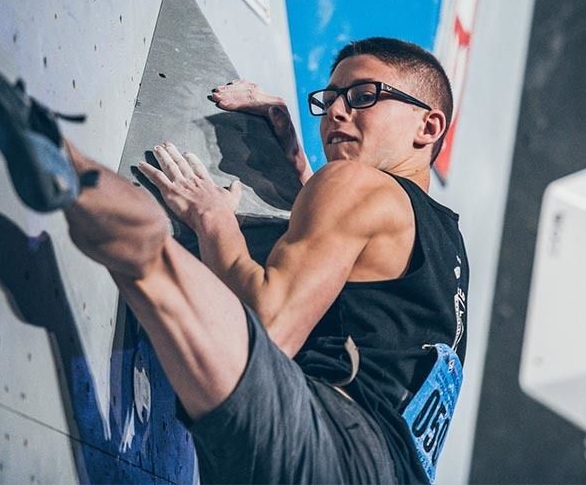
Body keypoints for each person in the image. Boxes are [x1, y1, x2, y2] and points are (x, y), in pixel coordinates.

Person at [62, 37, 468, 484]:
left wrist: (214, 219)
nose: (335, 111)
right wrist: (295, 162)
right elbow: (348, 258)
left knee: (151, 262)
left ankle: (54, 155)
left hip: (342, 447)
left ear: (429, 127)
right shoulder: (445, 243)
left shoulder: (356, 184)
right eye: (329, 99)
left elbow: (270, 330)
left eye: (363, 96)